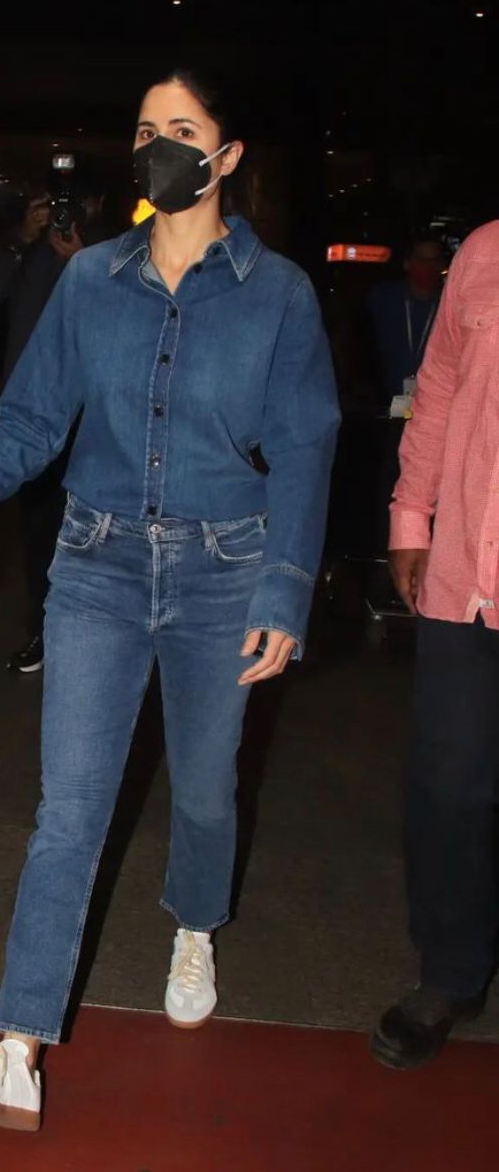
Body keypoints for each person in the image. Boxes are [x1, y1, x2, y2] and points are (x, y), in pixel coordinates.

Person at [0, 69, 340, 1131]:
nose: (160, 145)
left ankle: (194, 925)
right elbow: (31, 421)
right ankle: (17, 1047)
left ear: (226, 156)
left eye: (183, 129)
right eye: (148, 128)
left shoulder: (279, 293)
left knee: (203, 791)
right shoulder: (92, 279)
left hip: (225, 569)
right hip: (98, 564)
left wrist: (285, 586)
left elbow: (304, 444)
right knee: (69, 809)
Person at [371, 219, 499, 1071]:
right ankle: (451, 972)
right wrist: (411, 515)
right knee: (447, 790)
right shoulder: (485, 252)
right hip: (466, 577)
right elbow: (442, 387)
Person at [0, 183, 98, 673]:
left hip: (94, 421)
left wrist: (82, 261)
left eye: (75, 204)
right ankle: (44, 632)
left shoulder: (110, 256)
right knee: (40, 534)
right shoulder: (27, 252)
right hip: (31, 416)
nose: (63, 214)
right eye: (54, 205)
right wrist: (21, 239)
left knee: (94, 535)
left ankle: (91, 643)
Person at [365, 234, 448, 403]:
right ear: (407, 264)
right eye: (422, 260)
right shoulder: (384, 298)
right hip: (381, 399)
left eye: (434, 261)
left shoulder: (449, 304)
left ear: (441, 266)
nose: (428, 267)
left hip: (433, 401)